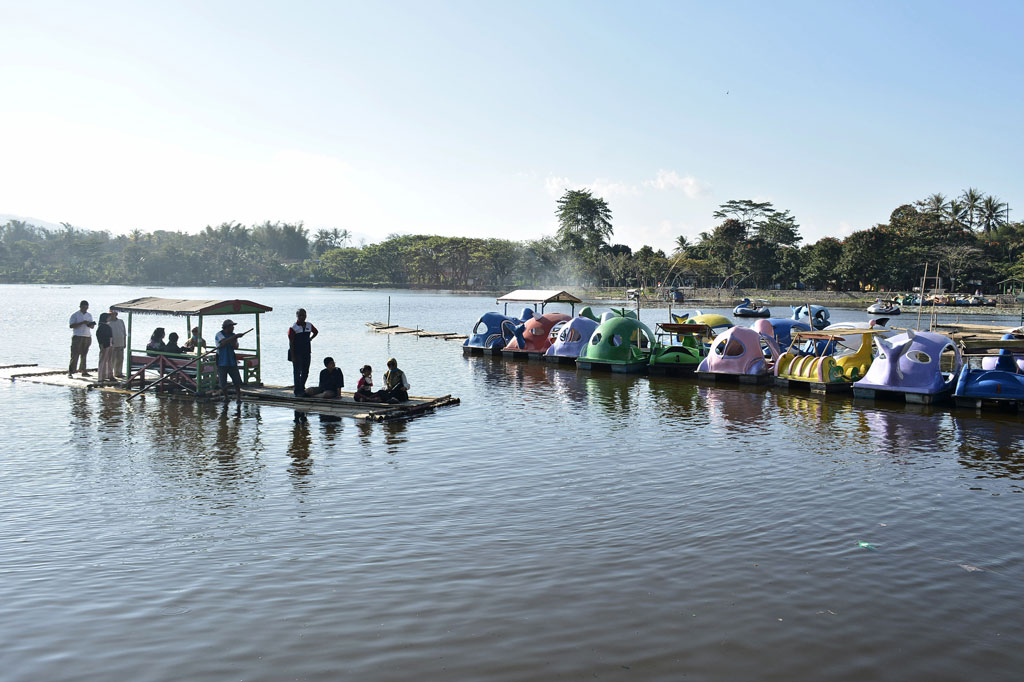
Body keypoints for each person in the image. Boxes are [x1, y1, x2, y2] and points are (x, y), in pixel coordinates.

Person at [215, 319, 246, 406]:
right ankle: (226, 397)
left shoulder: (233, 335)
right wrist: (235, 337)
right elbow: (223, 342)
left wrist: (235, 339)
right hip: (221, 361)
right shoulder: (219, 334)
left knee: (237, 381)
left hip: (231, 361)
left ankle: (239, 398)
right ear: (227, 327)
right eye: (232, 326)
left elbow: (235, 347)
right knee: (223, 382)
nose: (233, 328)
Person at [288, 308, 319, 397]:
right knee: (297, 372)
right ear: (297, 316)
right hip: (297, 353)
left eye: (304, 315)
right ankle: (297, 391)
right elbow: (291, 343)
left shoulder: (309, 325)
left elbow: (316, 332)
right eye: (300, 315)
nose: (302, 317)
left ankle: (302, 387)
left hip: (307, 352)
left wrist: (311, 338)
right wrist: (293, 356)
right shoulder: (293, 328)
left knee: (306, 371)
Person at [68, 300, 95, 377]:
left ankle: (83, 370)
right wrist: (82, 323)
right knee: (75, 354)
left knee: (84, 354)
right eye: (83, 307)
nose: (85, 309)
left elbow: (92, 327)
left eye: (86, 308)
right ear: (80, 307)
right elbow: (71, 326)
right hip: (77, 336)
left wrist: (90, 324)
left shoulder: (89, 315)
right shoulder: (75, 315)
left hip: (87, 336)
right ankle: (71, 371)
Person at [107, 308, 127, 378]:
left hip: (120, 342)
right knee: (111, 359)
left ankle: (118, 373)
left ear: (116, 314)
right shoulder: (108, 323)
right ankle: (109, 373)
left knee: (120, 359)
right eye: (110, 314)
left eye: (113, 314)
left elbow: (124, 333)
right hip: (112, 344)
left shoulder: (121, 321)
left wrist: (125, 342)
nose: (111, 315)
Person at [95, 313, 114, 381]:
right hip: (105, 345)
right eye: (108, 317)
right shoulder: (101, 326)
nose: (109, 318)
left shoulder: (107, 326)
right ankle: (101, 377)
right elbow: (99, 336)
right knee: (103, 361)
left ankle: (109, 375)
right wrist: (101, 345)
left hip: (110, 344)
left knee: (109, 360)